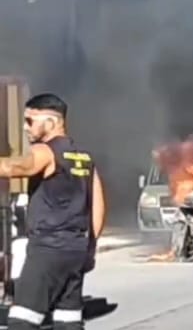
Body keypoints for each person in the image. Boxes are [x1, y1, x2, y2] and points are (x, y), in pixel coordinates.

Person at [0, 93, 106, 330]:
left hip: (47, 250)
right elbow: (97, 206)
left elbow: (16, 167)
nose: (26, 129)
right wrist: (89, 248)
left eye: (30, 121)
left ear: (51, 122)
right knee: (68, 322)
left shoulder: (46, 151)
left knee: (22, 321)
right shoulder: (84, 158)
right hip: (75, 251)